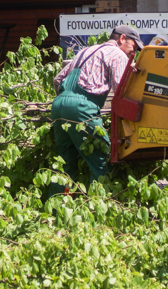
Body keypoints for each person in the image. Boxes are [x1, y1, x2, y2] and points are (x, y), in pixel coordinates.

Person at [49, 25, 143, 198]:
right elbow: (121, 91)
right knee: (103, 160)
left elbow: (58, 79)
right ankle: (94, 211)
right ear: (122, 39)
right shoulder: (117, 54)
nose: (133, 53)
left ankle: (56, 211)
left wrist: (68, 100)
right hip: (83, 108)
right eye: (134, 47)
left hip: (59, 105)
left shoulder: (86, 50)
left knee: (64, 164)